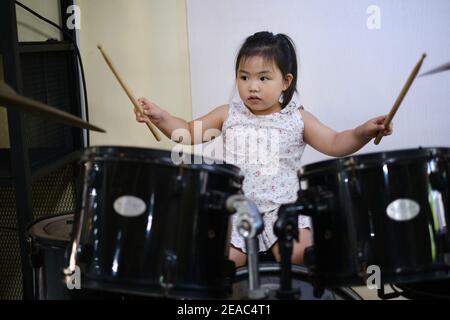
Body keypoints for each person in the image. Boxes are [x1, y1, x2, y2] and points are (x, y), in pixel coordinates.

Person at [135, 31, 393, 268]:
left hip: (284, 208)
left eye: (263, 78)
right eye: (244, 76)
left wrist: (363, 132)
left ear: (285, 81)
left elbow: (336, 143)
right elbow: (188, 132)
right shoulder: (229, 114)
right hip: (237, 209)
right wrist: (160, 116)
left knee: (300, 254)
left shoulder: (298, 118)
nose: (252, 86)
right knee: (221, 261)